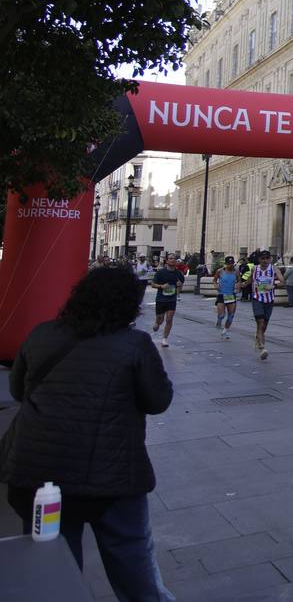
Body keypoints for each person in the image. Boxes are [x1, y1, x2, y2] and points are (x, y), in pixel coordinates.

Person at [0, 267, 176, 601]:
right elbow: (158, 400)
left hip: (37, 475)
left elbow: (19, 390)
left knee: (52, 568)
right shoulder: (134, 343)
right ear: (127, 305)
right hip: (110, 478)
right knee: (131, 563)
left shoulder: (41, 334)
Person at [149, 252, 184, 349]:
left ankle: (164, 339)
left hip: (171, 299)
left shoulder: (178, 273)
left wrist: (179, 288)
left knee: (169, 318)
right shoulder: (161, 273)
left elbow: (180, 285)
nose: (173, 260)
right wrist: (161, 286)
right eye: (171, 258)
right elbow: (152, 284)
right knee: (160, 320)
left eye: (174, 258)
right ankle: (157, 323)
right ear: (167, 260)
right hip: (161, 299)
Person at [250, 250, 278, 361]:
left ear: (270, 259)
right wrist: (241, 283)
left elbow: (282, 281)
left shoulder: (274, 269)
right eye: (263, 258)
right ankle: (262, 347)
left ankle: (258, 338)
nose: (265, 260)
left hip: (269, 301)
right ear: (259, 260)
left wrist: (273, 285)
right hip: (257, 299)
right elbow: (249, 280)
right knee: (260, 322)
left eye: (267, 258)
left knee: (264, 325)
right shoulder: (254, 269)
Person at [213, 256, 239, 340]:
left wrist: (238, 288)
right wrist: (216, 285)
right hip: (221, 294)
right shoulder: (220, 271)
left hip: (231, 295)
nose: (230, 265)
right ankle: (219, 319)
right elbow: (214, 280)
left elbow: (239, 281)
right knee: (222, 314)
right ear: (226, 264)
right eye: (228, 263)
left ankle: (225, 331)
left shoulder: (236, 272)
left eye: (232, 263)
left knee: (231, 315)